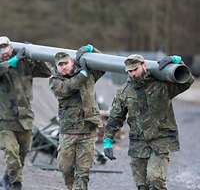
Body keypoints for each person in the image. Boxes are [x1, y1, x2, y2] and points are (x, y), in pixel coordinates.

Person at [103, 54, 194, 190]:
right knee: (142, 185)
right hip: (138, 142)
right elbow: (115, 118)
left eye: (135, 69)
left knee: (155, 180)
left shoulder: (162, 85)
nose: (133, 74)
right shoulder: (124, 91)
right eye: (130, 71)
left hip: (161, 139)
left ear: (144, 66)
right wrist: (108, 140)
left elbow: (187, 81)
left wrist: (178, 61)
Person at [49, 44, 104, 190]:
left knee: (83, 171)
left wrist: (93, 49)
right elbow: (69, 88)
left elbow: (103, 64)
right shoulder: (55, 81)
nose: (63, 67)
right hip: (68, 131)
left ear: (72, 62)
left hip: (88, 129)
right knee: (65, 168)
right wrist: (83, 74)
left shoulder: (88, 73)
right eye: (60, 65)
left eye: (65, 63)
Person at [0, 36, 51, 190]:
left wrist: (35, 56)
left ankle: (6, 178)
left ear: (11, 48)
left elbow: (46, 72)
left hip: (25, 118)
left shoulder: (24, 63)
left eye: (5, 49)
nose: (3, 53)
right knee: (11, 151)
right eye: (0, 51)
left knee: (22, 153)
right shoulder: (5, 65)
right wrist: (13, 61)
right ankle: (16, 184)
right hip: (4, 120)